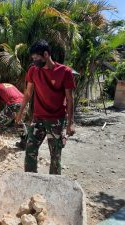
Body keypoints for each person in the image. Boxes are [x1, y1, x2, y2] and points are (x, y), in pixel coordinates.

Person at [16, 39, 76, 175]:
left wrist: (70, 123)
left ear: (46, 54)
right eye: (33, 58)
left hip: (56, 119)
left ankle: (54, 184)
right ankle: (30, 179)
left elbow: (70, 99)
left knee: (55, 155)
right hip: (38, 118)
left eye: (37, 58)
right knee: (30, 150)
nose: (34, 61)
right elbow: (28, 93)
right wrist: (20, 112)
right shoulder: (33, 71)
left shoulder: (64, 72)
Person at [0, 81, 27, 155]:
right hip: (25, 104)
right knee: (18, 122)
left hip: (14, 105)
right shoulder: (8, 84)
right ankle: (24, 143)